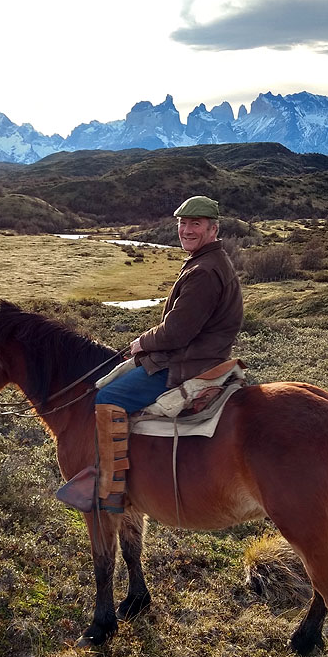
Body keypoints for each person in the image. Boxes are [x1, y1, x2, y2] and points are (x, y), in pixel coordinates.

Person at [56, 195, 244, 513]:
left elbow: (177, 332)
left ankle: (111, 488)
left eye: (194, 224)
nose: (186, 230)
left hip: (187, 365)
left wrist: (142, 342)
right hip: (198, 356)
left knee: (108, 396)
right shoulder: (208, 262)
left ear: (213, 229)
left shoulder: (203, 272)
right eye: (183, 223)